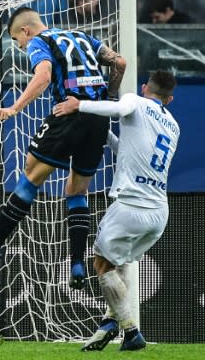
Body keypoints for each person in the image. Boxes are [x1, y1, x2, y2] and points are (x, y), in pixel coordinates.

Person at [0, 7, 126, 290]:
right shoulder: (82, 36)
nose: (20, 47)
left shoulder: (39, 42)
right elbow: (120, 62)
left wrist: (15, 107)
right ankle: (77, 262)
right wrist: (109, 97)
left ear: (25, 31)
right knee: (77, 190)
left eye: (17, 41)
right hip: (98, 118)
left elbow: (43, 77)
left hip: (68, 114)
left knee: (30, 174)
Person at [53, 70, 180, 352]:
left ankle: (131, 331)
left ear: (145, 87)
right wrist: (103, 132)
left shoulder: (135, 100)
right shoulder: (173, 125)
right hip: (159, 211)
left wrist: (79, 105)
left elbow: (120, 107)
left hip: (131, 204)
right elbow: (128, 149)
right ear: (169, 99)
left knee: (101, 264)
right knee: (118, 262)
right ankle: (109, 323)